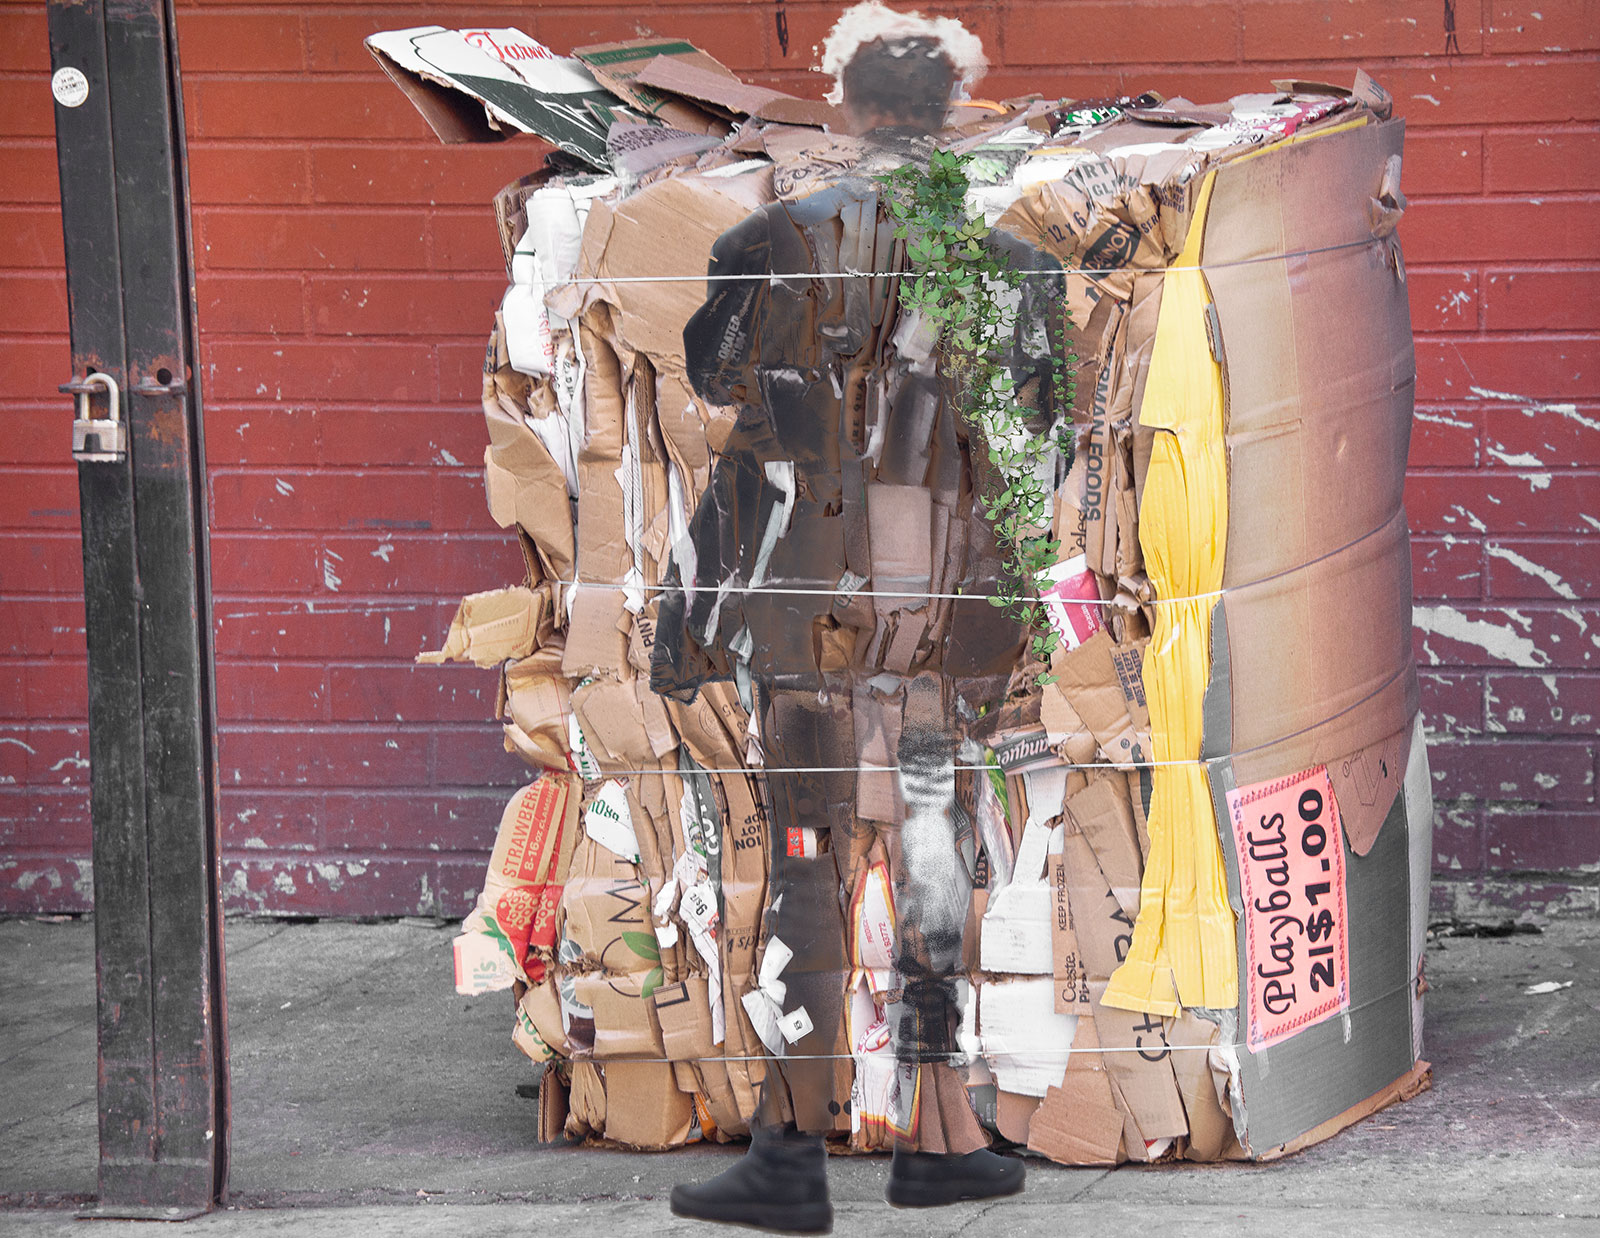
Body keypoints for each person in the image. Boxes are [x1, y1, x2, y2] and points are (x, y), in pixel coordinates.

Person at [651, 7, 1062, 1231]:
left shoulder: (761, 244)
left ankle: (789, 1150)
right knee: (931, 861)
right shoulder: (1015, 267)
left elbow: (713, 379)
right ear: (954, 110)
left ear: (841, 105)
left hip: (809, 622)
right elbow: (1040, 428)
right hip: (931, 628)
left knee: (805, 867)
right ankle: (940, 1132)